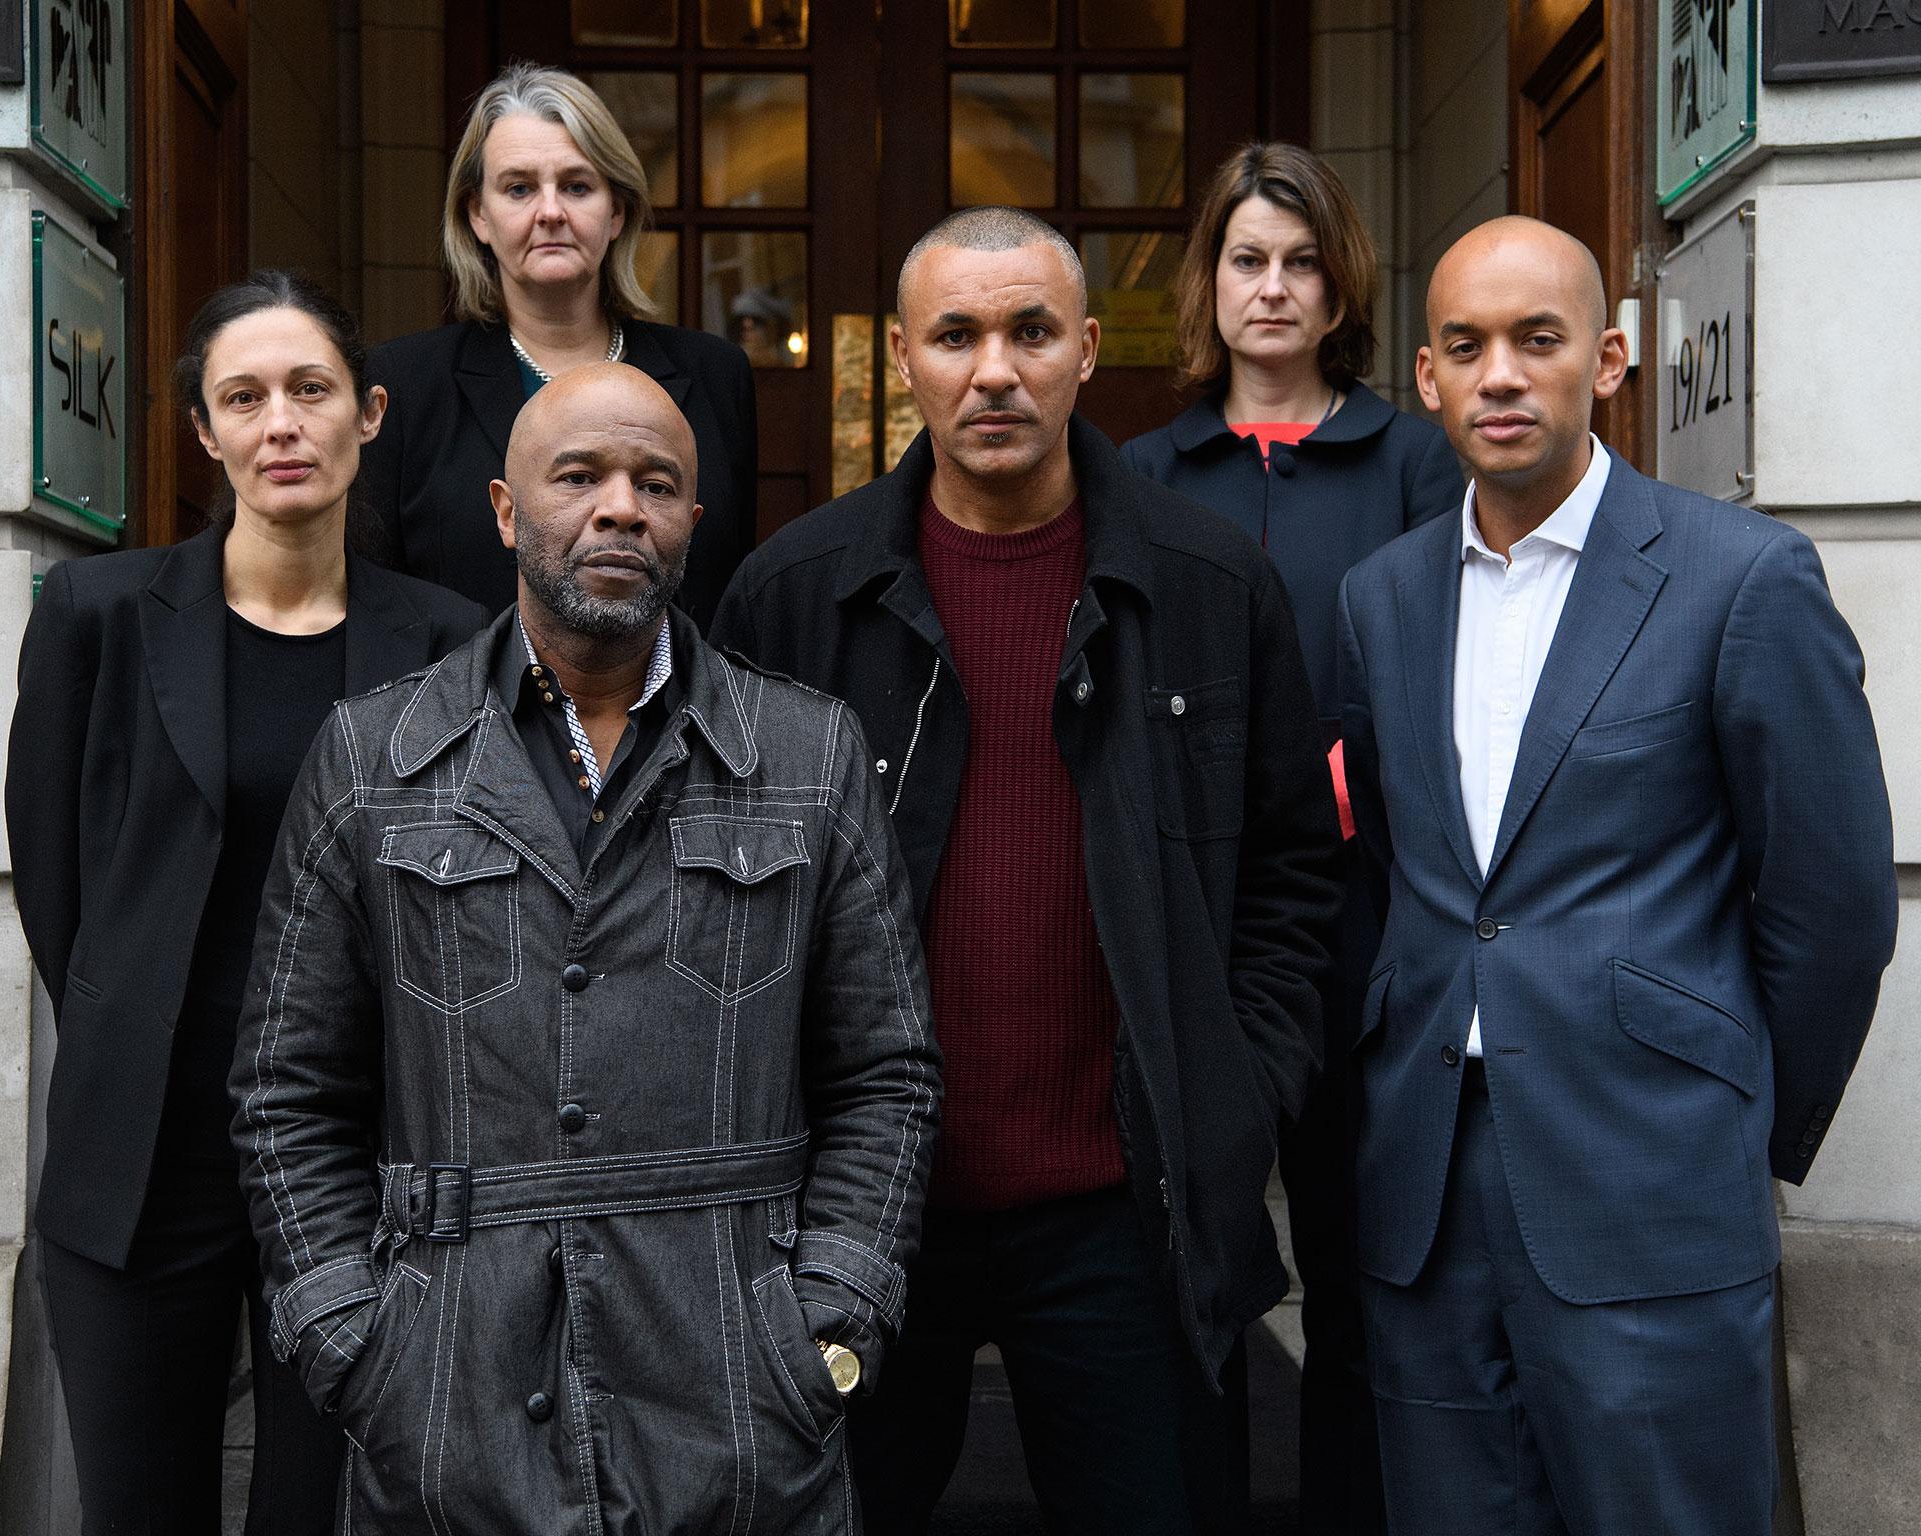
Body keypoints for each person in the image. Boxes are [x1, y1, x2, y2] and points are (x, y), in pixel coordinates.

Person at [712, 207, 1342, 1535]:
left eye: (1029, 332)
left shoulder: (1211, 586)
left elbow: (1295, 875)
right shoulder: (793, 596)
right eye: (956, 335)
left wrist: (1239, 1084)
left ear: (1089, 351)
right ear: (902, 358)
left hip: (1128, 1208)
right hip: (862, 1210)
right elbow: (716, 901)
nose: (993, 369)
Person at [231, 362, 940, 1530]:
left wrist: (828, 1321)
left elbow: (887, 1073)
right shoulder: (374, 757)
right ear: (507, 510)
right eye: (581, 476)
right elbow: (282, 1085)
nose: (620, 506)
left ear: (691, 527)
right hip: (447, 1388)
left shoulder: (807, 753)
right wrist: (350, 1340)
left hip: (736, 1384)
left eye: (655, 483)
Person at [1336, 216, 1897, 1535]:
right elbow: (1390, 884)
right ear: (1425, 379)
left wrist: (1722, 1115)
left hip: (1654, 1177)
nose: (1503, 376)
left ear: (1611, 357)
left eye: (1539, 341)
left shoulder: (1740, 577)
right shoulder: (1380, 599)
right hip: (1428, 1194)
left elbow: (1833, 911)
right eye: (1466, 347)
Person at [4, 271, 487, 1534]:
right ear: (205, 433)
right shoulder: (96, 617)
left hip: (359, 1155)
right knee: (140, 1509)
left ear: (367, 414)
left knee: (323, 1513)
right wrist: (140, 1022)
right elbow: (54, 881)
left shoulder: (448, 642)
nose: (282, 422)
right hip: (143, 1154)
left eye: (310, 390)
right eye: (244, 396)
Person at [1124, 141, 1460, 1535]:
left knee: (1360, 1269)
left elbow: (1466, 674)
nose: (1273, 288)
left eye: (1301, 261)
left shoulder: (1417, 461)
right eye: (1248, 260)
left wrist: (1356, 767)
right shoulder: (1141, 469)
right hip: (1181, 932)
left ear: (1340, 287)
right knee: (1179, 1267)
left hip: (1367, 926)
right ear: (1209, 282)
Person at [360, 62, 756, 630]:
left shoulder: (716, 375)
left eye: (577, 186)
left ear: (615, 210)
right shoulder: (403, 382)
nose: (550, 212)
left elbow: (729, 599)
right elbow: (382, 601)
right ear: (479, 215)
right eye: (519, 188)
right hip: (462, 713)